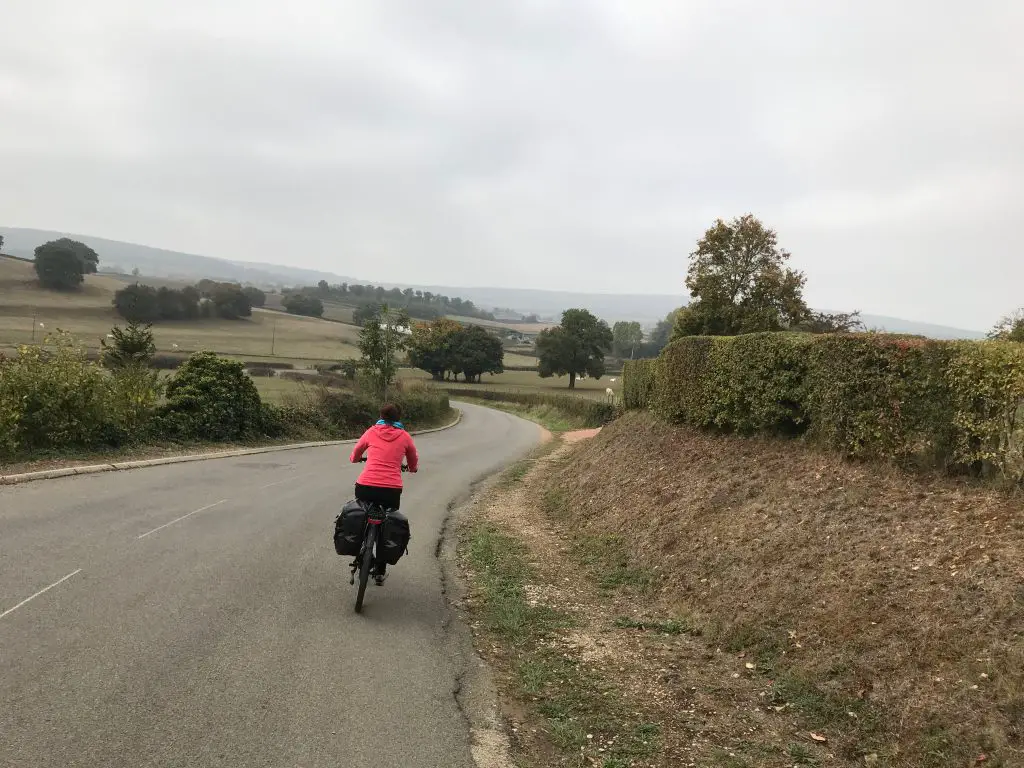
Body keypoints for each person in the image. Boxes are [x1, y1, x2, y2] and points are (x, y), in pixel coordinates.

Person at [349, 403, 418, 583]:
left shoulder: (372, 431)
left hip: (365, 486)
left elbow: (356, 452)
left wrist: (355, 459)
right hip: (391, 490)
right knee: (387, 523)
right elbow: (413, 459)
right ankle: (380, 570)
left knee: (362, 513)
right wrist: (412, 468)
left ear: (381, 415)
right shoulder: (404, 436)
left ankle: (361, 548)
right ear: (398, 418)